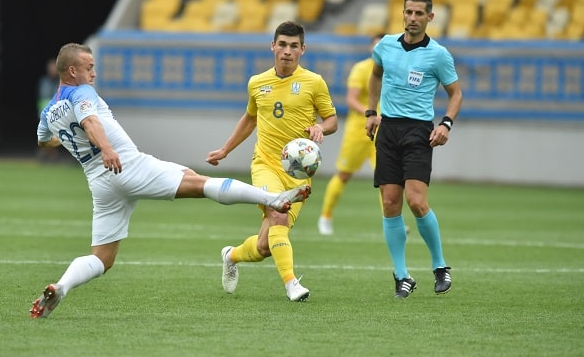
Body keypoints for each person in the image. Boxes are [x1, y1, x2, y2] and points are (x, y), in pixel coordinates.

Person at [30, 43, 312, 319]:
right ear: (71, 72)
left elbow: (45, 141)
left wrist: (76, 143)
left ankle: (61, 286)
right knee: (200, 185)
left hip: (100, 183)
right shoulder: (82, 92)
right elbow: (90, 123)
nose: (93, 74)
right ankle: (273, 199)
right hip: (126, 165)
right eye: (88, 68)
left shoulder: (48, 112)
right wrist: (106, 149)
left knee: (103, 258)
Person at [206, 21, 338, 302]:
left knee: (266, 245)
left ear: (303, 49)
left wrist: (320, 129)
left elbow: (332, 120)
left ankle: (231, 255)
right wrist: (225, 150)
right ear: (273, 46)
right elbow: (250, 118)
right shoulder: (257, 82)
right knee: (277, 213)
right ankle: (291, 283)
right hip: (265, 164)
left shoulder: (314, 82)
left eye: (293, 46)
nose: (287, 51)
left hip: (298, 173)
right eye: (282, 44)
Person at [365, 0, 463, 298]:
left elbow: (456, 93)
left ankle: (440, 266)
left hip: (418, 131)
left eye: (419, 13)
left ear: (429, 18)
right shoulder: (385, 46)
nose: (412, 18)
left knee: (417, 201)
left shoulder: (438, 55)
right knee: (390, 202)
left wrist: (446, 123)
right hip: (389, 129)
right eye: (408, 12)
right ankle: (402, 276)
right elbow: (375, 76)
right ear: (402, 13)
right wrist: (371, 112)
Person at [317, 33, 384, 236]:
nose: (377, 49)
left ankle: (390, 223)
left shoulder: (394, 70)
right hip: (359, 130)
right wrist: (371, 113)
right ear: (370, 48)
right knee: (344, 174)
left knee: (386, 178)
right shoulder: (361, 69)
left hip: (385, 130)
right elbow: (351, 100)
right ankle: (326, 216)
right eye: (375, 45)